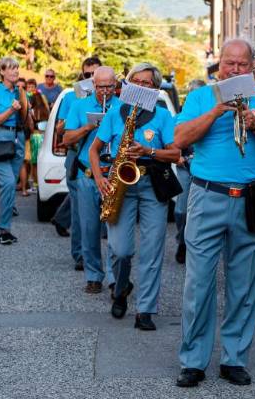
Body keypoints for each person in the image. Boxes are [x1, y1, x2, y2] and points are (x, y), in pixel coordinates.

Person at [173, 38, 255, 388]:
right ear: (218, 65)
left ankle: (234, 358)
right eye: (228, 64)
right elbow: (179, 139)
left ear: (253, 67)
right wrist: (215, 112)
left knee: (245, 285)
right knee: (198, 283)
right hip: (208, 195)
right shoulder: (200, 97)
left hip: (251, 199)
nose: (234, 70)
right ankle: (193, 360)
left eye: (241, 65)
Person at [89, 63, 180, 330]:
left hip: (153, 184)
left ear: (156, 87)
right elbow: (94, 151)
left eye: (147, 83)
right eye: (136, 82)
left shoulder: (163, 116)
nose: (141, 86)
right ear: (127, 85)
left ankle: (145, 310)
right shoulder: (116, 113)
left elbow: (175, 154)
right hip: (121, 184)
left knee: (152, 250)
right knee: (120, 250)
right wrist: (99, 179)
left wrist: (149, 151)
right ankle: (120, 286)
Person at [63, 66, 121, 294]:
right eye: (100, 87)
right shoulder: (80, 106)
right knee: (88, 228)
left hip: (114, 174)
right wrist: (89, 126)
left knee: (116, 228)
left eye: (109, 86)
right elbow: (66, 138)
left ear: (116, 86)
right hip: (87, 175)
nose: (105, 91)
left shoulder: (122, 108)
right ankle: (93, 275)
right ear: (93, 86)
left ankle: (114, 277)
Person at [52, 56, 101, 268]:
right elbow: (59, 130)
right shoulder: (72, 97)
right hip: (77, 156)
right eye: (86, 75)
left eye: (94, 75)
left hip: (103, 158)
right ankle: (80, 255)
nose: (90, 78)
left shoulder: (110, 97)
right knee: (80, 211)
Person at [0, 57, 28, 245]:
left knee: (9, 183)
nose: (16, 72)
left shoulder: (20, 91)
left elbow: (25, 118)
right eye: (11, 69)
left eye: (17, 68)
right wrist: (11, 110)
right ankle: (4, 230)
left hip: (17, 139)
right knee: (9, 183)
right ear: (2, 72)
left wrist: (25, 106)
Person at [173, 79, 205, 264]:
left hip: (202, 166)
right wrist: (177, 157)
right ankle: (181, 240)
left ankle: (193, 243)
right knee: (181, 210)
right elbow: (170, 139)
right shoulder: (180, 116)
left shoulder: (210, 116)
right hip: (184, 166)